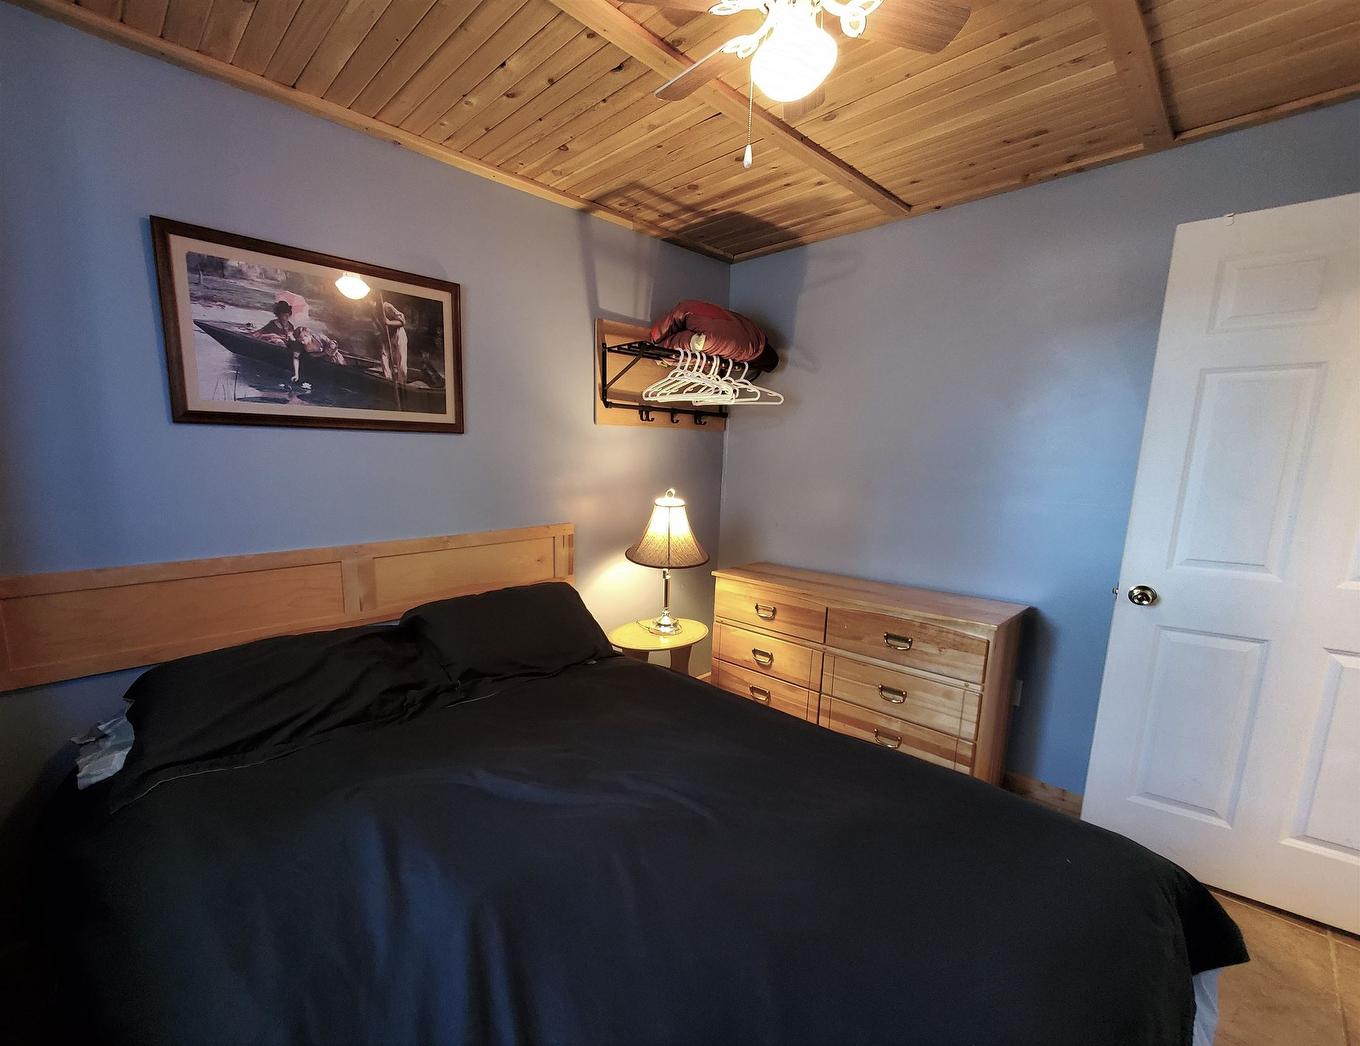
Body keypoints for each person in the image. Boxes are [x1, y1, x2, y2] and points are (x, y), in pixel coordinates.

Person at [382, 300, 408, 384]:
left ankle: (402, 382)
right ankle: (388, 379)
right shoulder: (372, 310)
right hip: (388, 333)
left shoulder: (386, 306)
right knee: (384, 355)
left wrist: (389, 322)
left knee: (400, 358)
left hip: (398, 333)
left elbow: (402, 322)